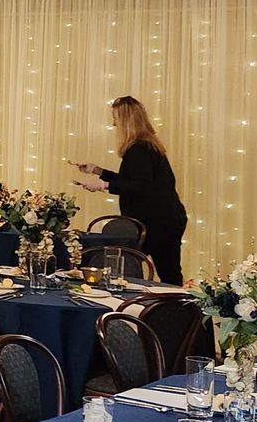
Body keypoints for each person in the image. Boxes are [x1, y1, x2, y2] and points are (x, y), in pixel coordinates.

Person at [74, 95, 187, 284]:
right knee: (169, 272)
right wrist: (98, 171)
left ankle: (179, 309)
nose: (114, 124)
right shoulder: (146, 146)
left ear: (126, 121)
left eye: (116, 118)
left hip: (158, 222)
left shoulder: (139, 150)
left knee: (164, 272)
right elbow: (132, 181)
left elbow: (140, 186)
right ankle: (180, 309)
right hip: (165, 219)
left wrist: (103, 185)